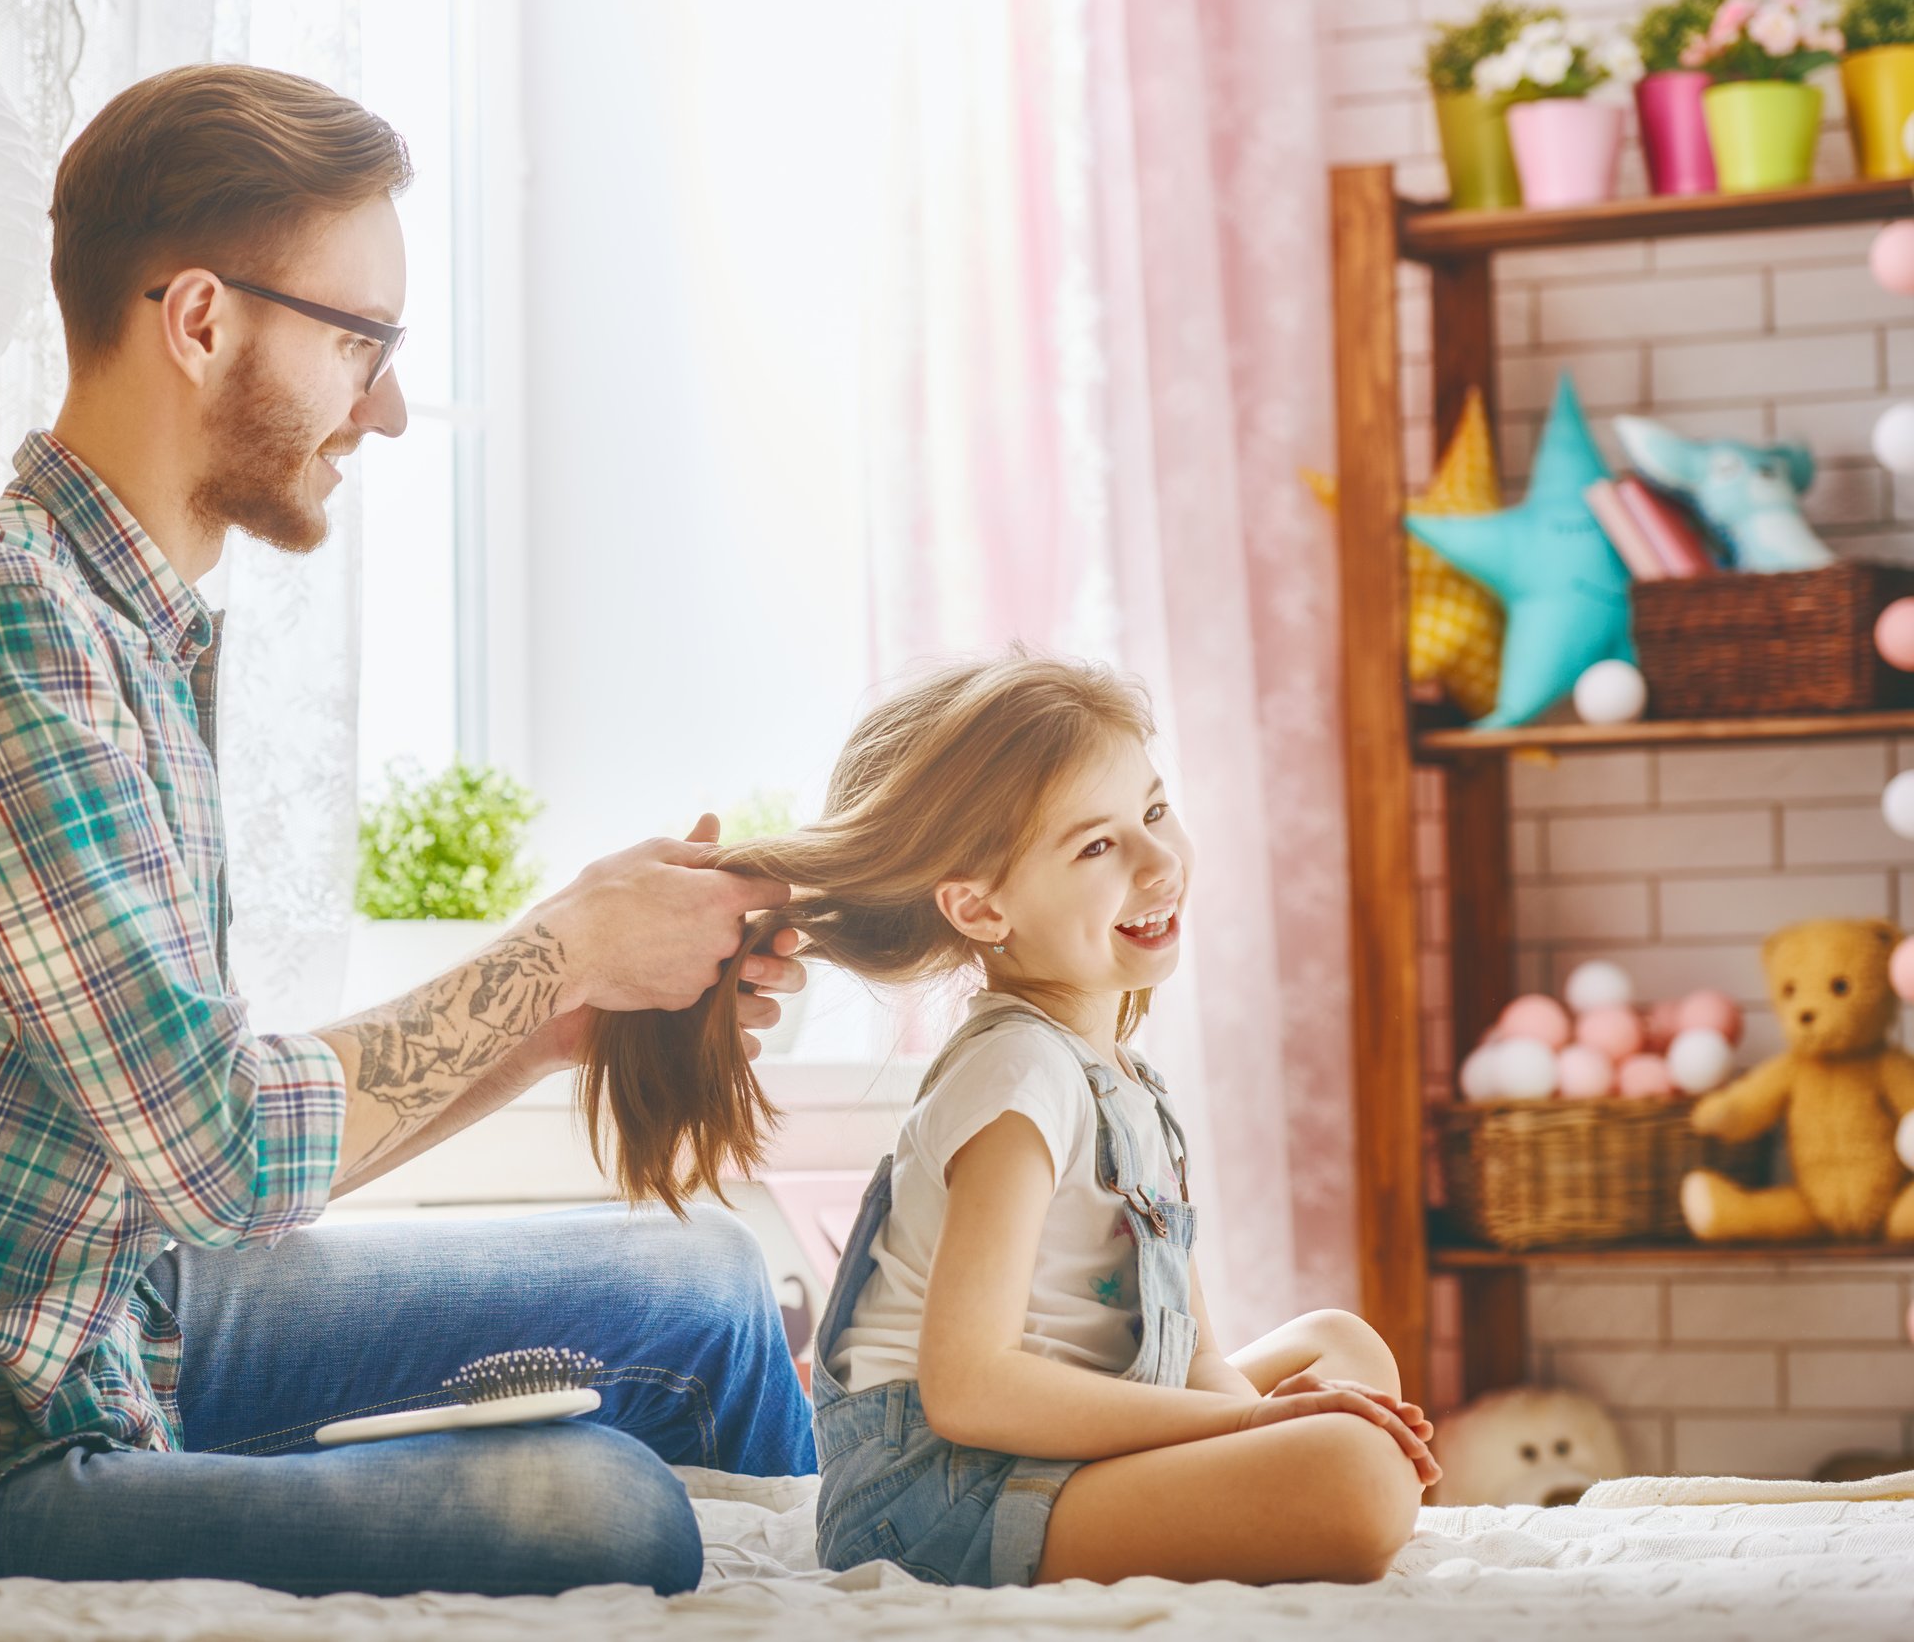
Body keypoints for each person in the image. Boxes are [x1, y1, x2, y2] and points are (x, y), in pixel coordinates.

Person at [0, 64, 815, 1598]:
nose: (387, 406)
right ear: (200, 320)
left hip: (104, 1321)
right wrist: (554, 951)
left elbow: (184, 1150)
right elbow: (219, 1153)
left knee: (719, 1288)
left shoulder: (130, 636)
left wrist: (562, 1022)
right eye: (363, 342)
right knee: (595, 1512)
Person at [582, 653, 1437, 1588]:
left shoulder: (1126, 1078)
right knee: (1355, 1477)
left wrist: (1262, 1423)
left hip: (1068, 1438)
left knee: (1345, 1351)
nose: (1159, 864)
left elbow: (1190, 1353)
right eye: (1096, 847)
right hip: (946, 1490)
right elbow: (970, 1388)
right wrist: (1255, 1433)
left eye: (1153, 813)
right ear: (982, 907)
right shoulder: (1017, 1073)